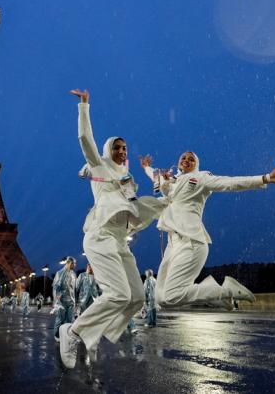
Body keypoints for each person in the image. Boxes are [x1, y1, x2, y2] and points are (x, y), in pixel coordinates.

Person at [59, 89, 165, 369]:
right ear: (108, 151)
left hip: (119, 242)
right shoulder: (99, 165)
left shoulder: (128, 179)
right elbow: (85, 139)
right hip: (100, 237)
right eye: (117, 147)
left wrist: (164, 195)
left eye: (125, 148)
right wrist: (84, 106)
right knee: (118, 295)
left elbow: (135, 208)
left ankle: (99, 329)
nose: (121, 151)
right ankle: (73, 332)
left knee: (137, 296)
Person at [140, 151, 275, 310]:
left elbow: (229, 183)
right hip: (172, 245)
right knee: (161, 298)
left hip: (191, 243)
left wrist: (266, 178)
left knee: (172, 296)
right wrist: (146, 167)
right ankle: (217, 298)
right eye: (183, 158)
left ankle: (227, 290)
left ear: (196, 164)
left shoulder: (200, 178)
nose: (186, 160)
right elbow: (155, 176)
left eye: (191, 159)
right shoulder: (172, 181)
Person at [52, 257, 77, 341]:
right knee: (60, 318)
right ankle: (57, 335)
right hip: (62, 300)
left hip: (71, 301)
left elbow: (74, 288)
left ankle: (65, 335)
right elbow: (56, 287)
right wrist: (57, 301)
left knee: (69, 319)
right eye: (74, 263)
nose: (75, 265)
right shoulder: (60, 273)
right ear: (69, 263)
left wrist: (75, 301)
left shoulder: (73, 274)